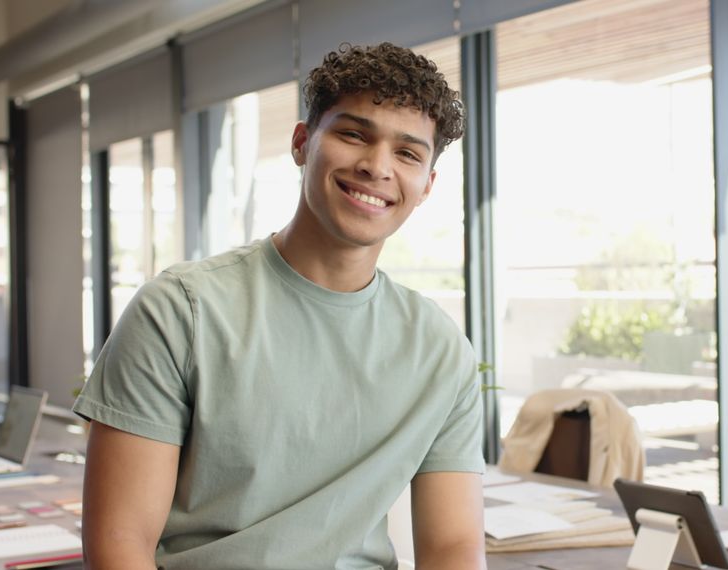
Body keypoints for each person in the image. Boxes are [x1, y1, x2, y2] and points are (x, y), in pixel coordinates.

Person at [73, 42, 486, 569]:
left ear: (426, 186)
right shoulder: (181, 312)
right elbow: (118, 543)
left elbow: (453, 548)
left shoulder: (440, 350)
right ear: (302, 142)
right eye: (353, 134)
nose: (377, 166)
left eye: (407, 153)